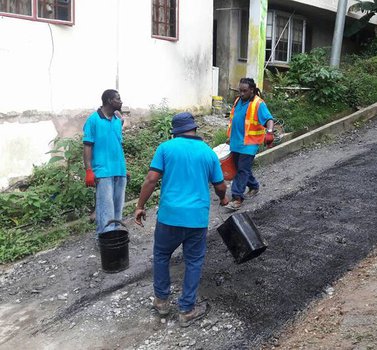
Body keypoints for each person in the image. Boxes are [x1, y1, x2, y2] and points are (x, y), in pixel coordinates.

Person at [134, 112, 229, 327]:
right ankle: (186, 309)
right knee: (193, 261)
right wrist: (223, 199)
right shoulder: (208, 153)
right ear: (194, 128)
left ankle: (161, 302)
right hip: (196, 219)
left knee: (161, 255)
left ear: (174, 131)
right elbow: (220, 185)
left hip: (169, 217)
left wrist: (140, 206)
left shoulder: (166, 148)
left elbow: (151, 179)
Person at [225, 77, 275, 211]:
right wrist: (230, 136)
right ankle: (253, 186)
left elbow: (269, 119)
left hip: (249, 144)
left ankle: (237, 198)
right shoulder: (238, 101)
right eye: (239, 90)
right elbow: (234, 121)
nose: (241, 94)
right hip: (236, 142)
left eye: (244, 91)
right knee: (241, 169)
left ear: (252, 90)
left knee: (241, 170)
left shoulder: (258, 104)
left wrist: (269, 132)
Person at [83, 89, 127, 237]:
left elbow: (117, 144)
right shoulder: (93, 120)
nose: (121, 102)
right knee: (105, 208)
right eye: (118, 99)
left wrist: (124, 167)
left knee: (117, 208)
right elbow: (87, 145)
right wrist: (89, 170)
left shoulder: (117, 121)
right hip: (102, 171)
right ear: (109, 100)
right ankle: (104, 239)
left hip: (119, 170)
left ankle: (115, 237)